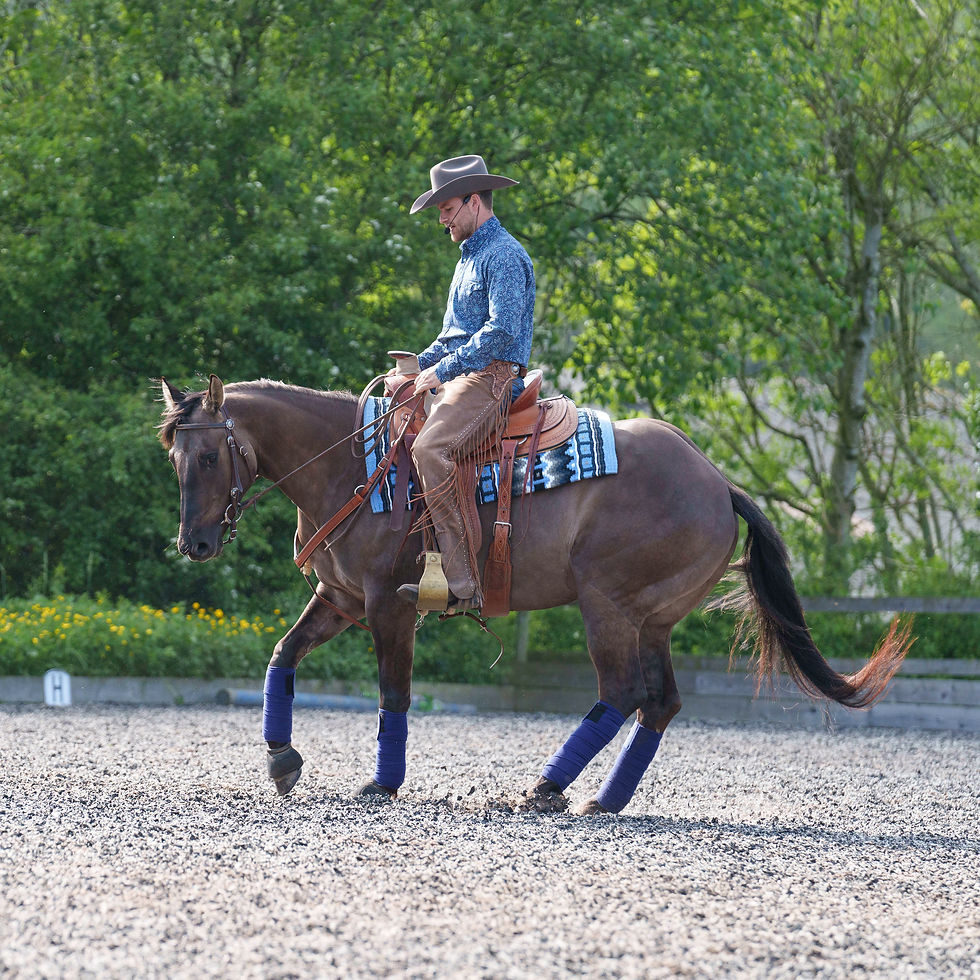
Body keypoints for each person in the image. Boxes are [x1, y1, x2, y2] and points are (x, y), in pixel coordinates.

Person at [396, 154, 535, 612]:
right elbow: (451, 335)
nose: (442, 220)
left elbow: (501, 333)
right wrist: (419, 364)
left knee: (428, 450)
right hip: (463, 373)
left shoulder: (505, 256)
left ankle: (463, 584)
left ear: (475, 201)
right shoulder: (467, 260)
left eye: (447, 208)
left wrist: (442, 370)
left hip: (490, 379)